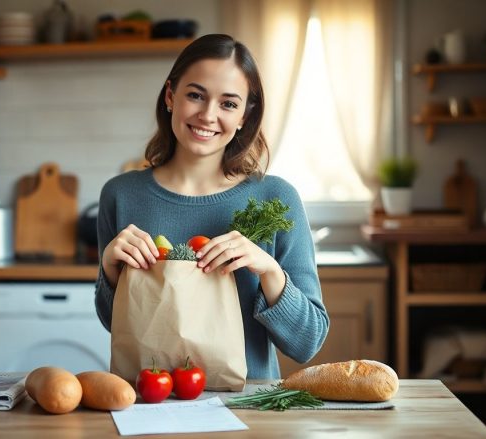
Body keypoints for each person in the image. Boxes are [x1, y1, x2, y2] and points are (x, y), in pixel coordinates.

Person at [94, 33, 329, 380]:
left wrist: (269, 272)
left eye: (228, 104)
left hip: (251, 410)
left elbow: (307, 342)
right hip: (151, 405)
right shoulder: (121, 195)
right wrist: (111, 270)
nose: (207, 115)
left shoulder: (276, 199)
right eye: (195, 95)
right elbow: (116, 325)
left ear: (245, 118)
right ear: (171, 96)